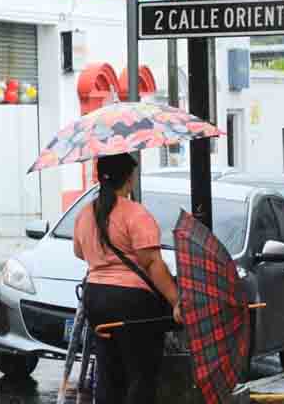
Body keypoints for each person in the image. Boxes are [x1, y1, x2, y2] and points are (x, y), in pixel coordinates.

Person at [72, 153, 182, 404]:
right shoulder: (135, 214)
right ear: (129, 179)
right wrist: (176, 301)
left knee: (109, 372)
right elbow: (152, 263)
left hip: (96, 298)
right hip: (132, 303)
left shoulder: (86, 213)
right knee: (140, 374)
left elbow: (79, 251)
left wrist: (102, 257)